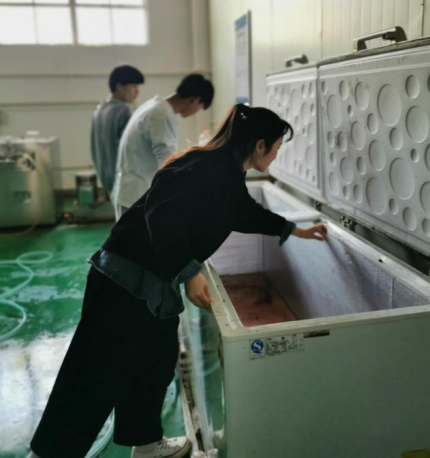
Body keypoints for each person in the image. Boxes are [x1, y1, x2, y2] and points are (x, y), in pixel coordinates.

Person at [28, 104, 328, 458]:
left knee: (154, 361)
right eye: (277, 147)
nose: (277, 155)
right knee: (95, 373)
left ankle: (146, 443)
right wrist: (190, 272)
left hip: (153, 282)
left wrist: (293, 229)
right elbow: (161, 215)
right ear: (260, 145)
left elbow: (244, 212)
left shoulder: (228, 173)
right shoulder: (206, 166)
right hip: (125, 278)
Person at [111, 73, 214, 218]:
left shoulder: (155, 105)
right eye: (200, 107)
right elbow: (167, 162)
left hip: (131, 192)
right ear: (196, 100)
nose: (196, 112)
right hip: (136, 196)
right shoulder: (162, 114)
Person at [91, 65, 145, 198]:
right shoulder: (123, 110)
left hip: (106, 180)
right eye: (133, 86)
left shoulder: (98, 111)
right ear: (119, 86)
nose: (137, 91)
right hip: (124, 183)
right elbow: (133, 149)